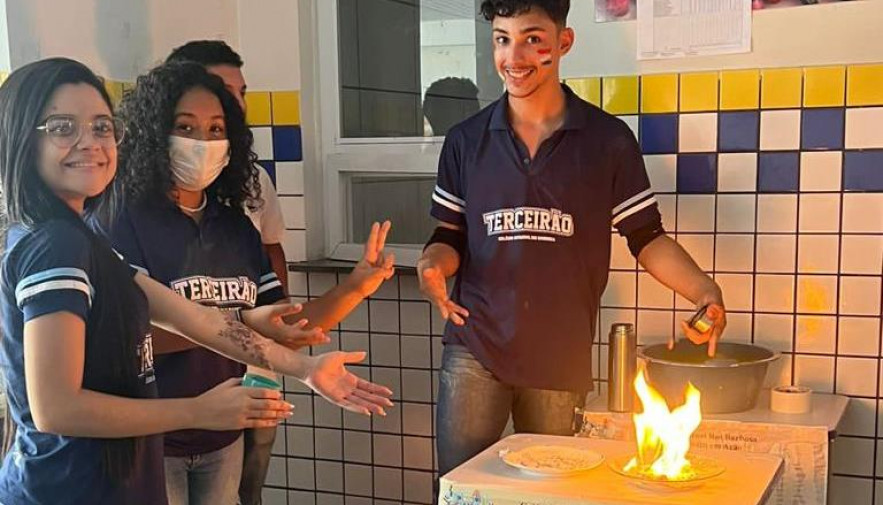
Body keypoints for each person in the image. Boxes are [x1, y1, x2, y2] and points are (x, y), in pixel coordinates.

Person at [0, 57, 393, 505]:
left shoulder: (83, 242)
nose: (89, 142)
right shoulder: (56, 245)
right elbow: (56, 408)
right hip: (66, 488)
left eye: (102, 127)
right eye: (62, 127)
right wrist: (197, 411)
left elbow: (199, 321)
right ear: (20, 138)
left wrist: (307, 369)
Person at [416, 0, 728, 479]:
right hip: (474, 345)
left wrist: (704, 289)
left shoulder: (608, 140)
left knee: (553, 489)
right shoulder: (466, 140)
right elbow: (448, 235)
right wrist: (432, 267)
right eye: (502, 39)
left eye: (532, 39)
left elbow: (646, 237)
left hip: (559, 354)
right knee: (462, 489)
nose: (514, 57)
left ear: (563, 42)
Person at [162, 40, 302, 505]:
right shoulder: (128, 217)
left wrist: (274, 344)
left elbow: (273, 280)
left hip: (240, 396)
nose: (234, 102)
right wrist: (239, 324)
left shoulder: (242, 204)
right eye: (188, 125)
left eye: (239, 94)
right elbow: (133, 333)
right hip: (161, 430)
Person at [166, 41, 288, 294]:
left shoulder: (253, 179)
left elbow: (271, 249)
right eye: (223, 91)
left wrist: (281, 313)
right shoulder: (131, 211)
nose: (238, 105)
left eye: (242, 93)